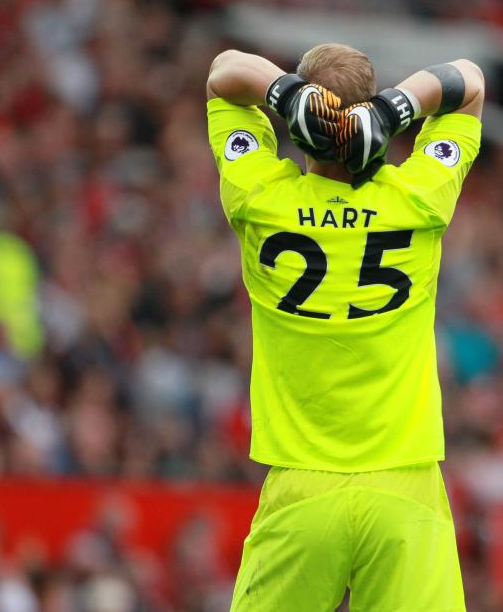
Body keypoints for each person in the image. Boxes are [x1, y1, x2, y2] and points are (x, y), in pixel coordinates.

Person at [206, 43, 484, 611]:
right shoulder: (419, 201)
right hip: (404, 486)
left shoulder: (260, 202)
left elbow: (223, 74)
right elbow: (469, 83)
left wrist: (287, 94)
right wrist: (395, 108)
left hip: (301, 488)